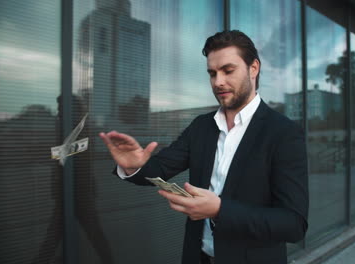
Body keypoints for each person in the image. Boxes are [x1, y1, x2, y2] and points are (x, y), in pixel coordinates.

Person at [100, 30, 308, 264]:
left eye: (228, 71)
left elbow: (293, 224)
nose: (218, 82)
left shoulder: (283, 133)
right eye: (212, 73)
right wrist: (134, 166)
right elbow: (161, 168)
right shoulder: (201, 126)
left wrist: (220, 210)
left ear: (253, 68)